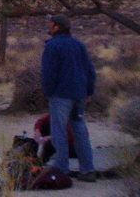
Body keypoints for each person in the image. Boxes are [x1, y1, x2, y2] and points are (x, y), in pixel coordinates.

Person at [41, 13, 97, 182]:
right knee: (80, 130)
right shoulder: (78, 45)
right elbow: (90, 70)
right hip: (79, 94)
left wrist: (48, 91)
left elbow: (49, 73)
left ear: (56, 27)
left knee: (59, 132)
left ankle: (61, 168)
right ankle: (88, 170)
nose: (48, 26)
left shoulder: (52, 46)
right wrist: (89, 91)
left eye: (50, 24)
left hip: (60, 95)